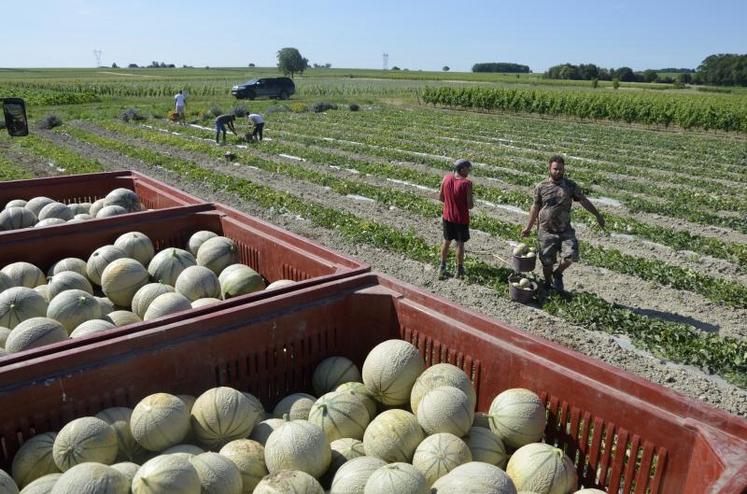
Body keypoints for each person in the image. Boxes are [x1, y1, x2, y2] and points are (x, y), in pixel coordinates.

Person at [521, 155, 605, 292]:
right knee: (547, 263)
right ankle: (548, 283)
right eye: (555, 169)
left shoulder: (570, 186)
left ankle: (558, 273)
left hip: (565, 230)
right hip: (545, 231)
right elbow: (535, 207)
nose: (558, 171)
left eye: (560, 169)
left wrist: (597, 215)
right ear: (549, 169)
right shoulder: (541, 187)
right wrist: (528, 227)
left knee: (571, 255)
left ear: (564, 169)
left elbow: (583, 200)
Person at [438, 158, 474, 280]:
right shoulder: (466, 184)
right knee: (460, 244)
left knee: (446, 241)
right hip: (461, 219)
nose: (469, 171)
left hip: (447, 216)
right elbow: (470, 205)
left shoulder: (446, 178)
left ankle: (442, 266)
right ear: (462, 169)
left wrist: (450, 203)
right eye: (468, 169)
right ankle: (459, 269)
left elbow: (440, 197)